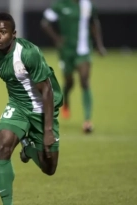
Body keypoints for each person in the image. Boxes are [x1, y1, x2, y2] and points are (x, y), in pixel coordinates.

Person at [0, 12, 63, 205]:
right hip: (18, 106)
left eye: (3, 32)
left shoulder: (28, 53)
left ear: (13, 34)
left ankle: (29, 149)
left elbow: (47, 91)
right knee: (2, 146)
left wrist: (48, 130)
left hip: (44, 107)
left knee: (49, 168)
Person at [41, 0, 106, 133]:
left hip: (84, 50)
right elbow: (45, 23)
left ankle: (87, 121)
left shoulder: (88, 5)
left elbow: (94, 23)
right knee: (69, 81)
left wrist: (99, 45)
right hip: (66, 51)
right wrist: (57, 39)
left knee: (84, 80)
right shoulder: (60, 5)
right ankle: (66, 98)